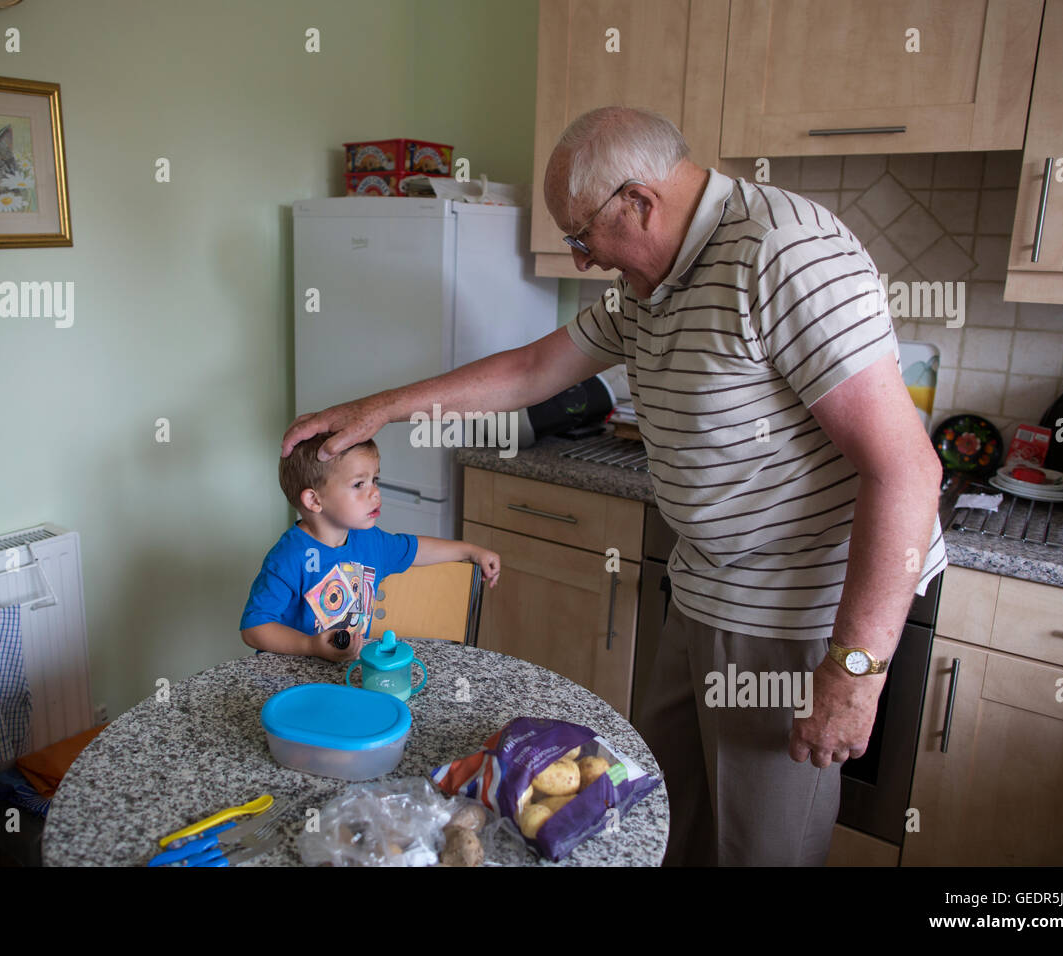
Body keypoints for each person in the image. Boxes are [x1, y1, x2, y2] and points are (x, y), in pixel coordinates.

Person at [281, 107, 946, 865]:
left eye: (582, 235)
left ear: (638, 201)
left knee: (762, 847)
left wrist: (855, 670)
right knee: (659, 815)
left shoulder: (785, 255)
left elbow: (906, 470)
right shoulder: (652, 283)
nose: (583, 259)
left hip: (794, 614)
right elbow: (534, 370)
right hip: (705, 590)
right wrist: (381, 406)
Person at [240, 433, 500, 663]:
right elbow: (255, 628)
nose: (375, 492)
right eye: (359, 484)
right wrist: (311, 646)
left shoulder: (371, 541)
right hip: (292, 681)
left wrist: (470, 551)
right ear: (314, 500)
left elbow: (417, 549)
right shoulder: (288, 557)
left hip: (345, 674)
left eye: (375, 479)